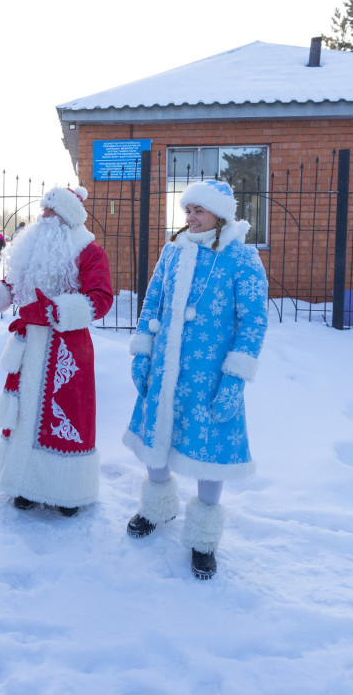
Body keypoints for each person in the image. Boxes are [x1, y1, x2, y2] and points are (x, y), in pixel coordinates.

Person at [122, 179, 268, 580]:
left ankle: (204, 539)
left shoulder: (241, 258)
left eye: (198, 210)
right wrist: (143, 351)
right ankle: (157, 507)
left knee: (209, 450)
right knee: (157, 439)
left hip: (210, 377)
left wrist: (235, 378)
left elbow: (253, 320)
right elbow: (152, 300)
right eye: (187, 210)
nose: (190, 217)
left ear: (220, 215)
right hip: (166, 369)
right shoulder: (173, 252)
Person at [0, 186, 113, 516]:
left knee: (65, 415)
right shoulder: (32, 247)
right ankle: (24, 483)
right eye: (43, 210)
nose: (43, 217)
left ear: (66, 218)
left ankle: (67, 490)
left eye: (50, 211)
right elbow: (13, 287)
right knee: (24, 414)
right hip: (30, 345)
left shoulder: (89, 251)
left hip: (67, 350)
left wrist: (54, 311)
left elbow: (101, 299)